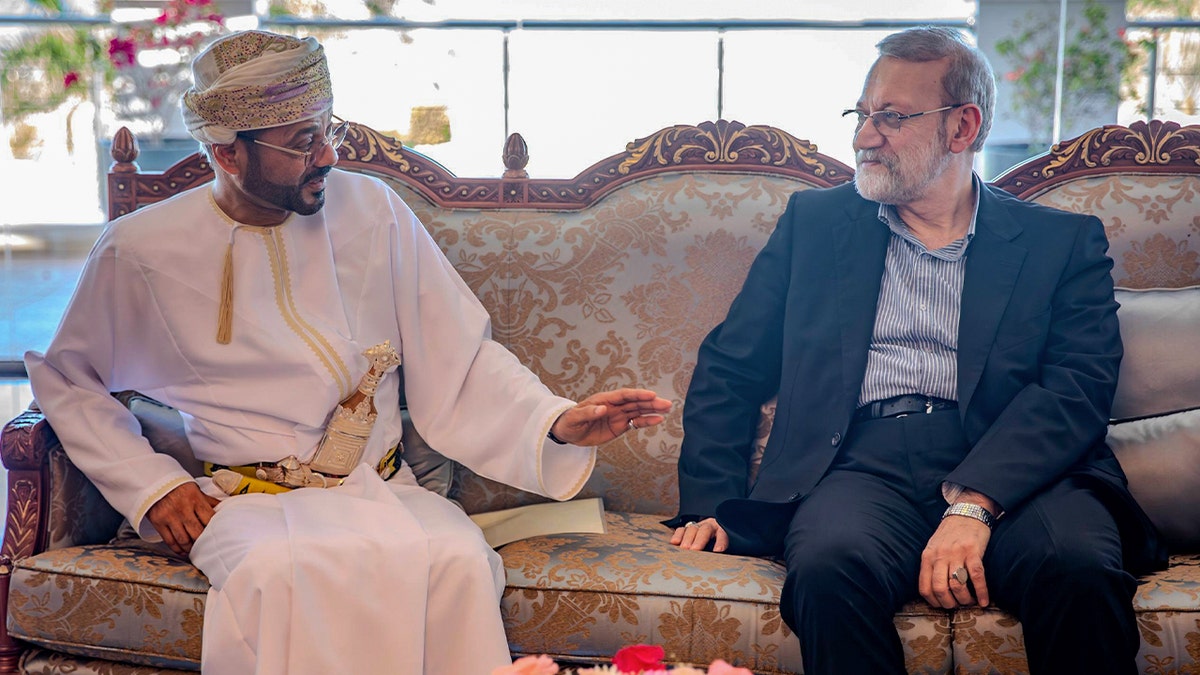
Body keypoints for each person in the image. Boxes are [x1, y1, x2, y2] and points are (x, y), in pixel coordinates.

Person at [25, 29, 671, 675]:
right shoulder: (140, 248)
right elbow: (67, 378)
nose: (328, 154)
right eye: (303, 140)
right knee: (277, 575)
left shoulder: (374, 210)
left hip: (382, 491)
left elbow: (459, 356)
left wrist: (554, 420)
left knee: (458, 561)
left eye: (327, 128)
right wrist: (153, 486)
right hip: (247, 505)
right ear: (227, 153)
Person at [666, 26, 1164, 675]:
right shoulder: (813, 227)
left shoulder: (1061, 242)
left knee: (1076, 566)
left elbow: (1078, 386)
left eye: (892, 118)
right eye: (862, 114)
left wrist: (973, 504)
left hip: (1026, 473)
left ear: (964, 127)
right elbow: (732, 365)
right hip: (860, 465)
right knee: (827, 566)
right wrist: (709, 502)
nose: (864, 137)